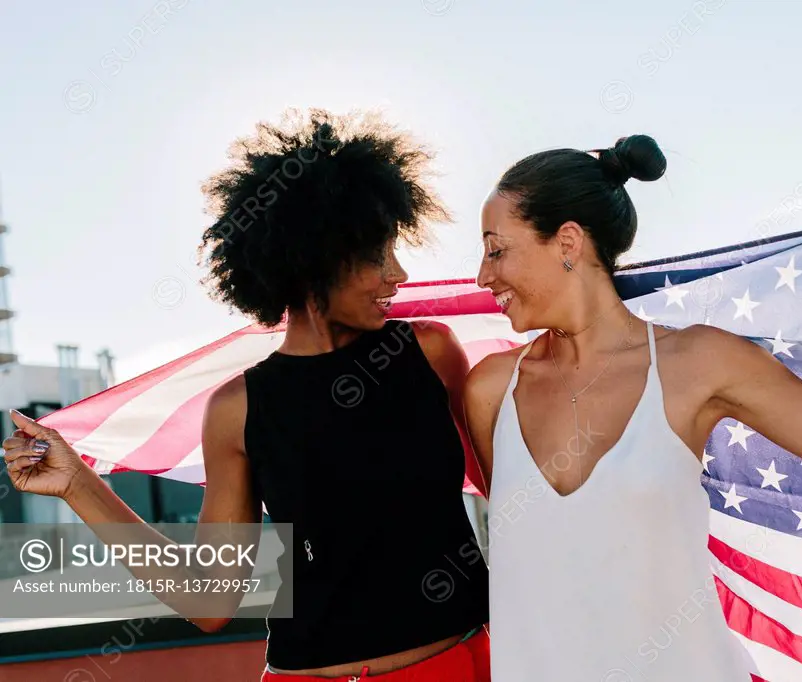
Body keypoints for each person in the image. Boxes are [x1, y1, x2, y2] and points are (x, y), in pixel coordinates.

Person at [462, 134, 802, 681]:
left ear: (566, 242)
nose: (484, 276)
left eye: (496, 249)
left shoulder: (698, 364)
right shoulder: (490, 392)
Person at [3, 108, 491, 681]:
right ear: (315, 261)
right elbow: (211, 600)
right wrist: (79, 486)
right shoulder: (238, 410)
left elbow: (509, 495)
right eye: (377, 254)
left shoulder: (431, 353)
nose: (399, 273)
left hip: (462, 662)